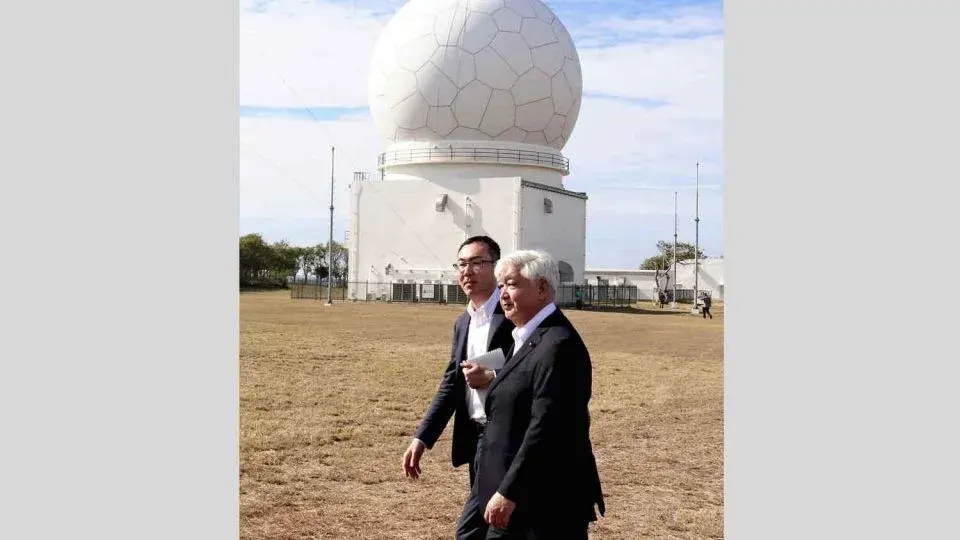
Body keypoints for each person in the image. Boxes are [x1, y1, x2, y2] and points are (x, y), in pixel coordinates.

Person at [460, 249, 605, 540]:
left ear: (541, 288)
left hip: (541, 504)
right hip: (518, 498)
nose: (502, 294)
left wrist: (509, 491)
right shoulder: (525, 337)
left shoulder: (559, 345)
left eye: (511, 284)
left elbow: (547, 428)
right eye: (500, 285)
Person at [401, 235, 516, 535]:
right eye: (462, 264)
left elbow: (530, 368)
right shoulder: (463, 322)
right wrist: (422, 437)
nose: (467, 271)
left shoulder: (513, 314)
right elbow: (452, 382)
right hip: (476, 436)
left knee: (473, 530)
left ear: (496, 267)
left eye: (477, 263)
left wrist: (492, 376)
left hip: (506, 437)